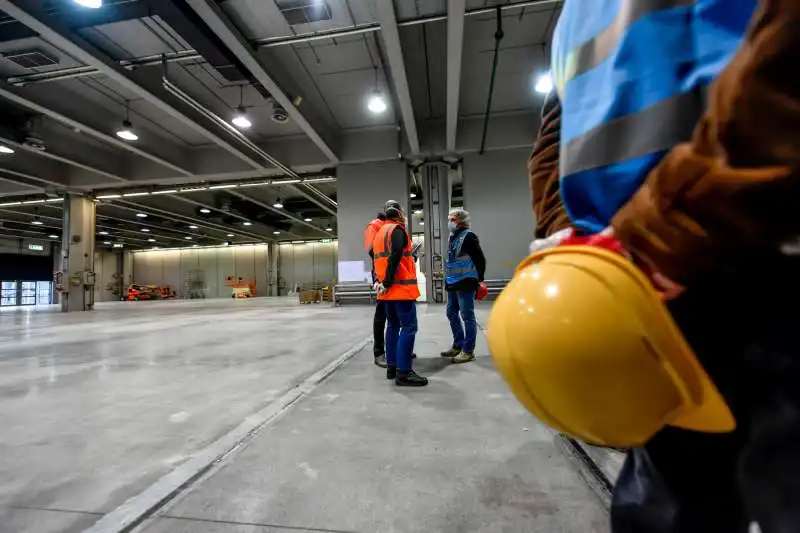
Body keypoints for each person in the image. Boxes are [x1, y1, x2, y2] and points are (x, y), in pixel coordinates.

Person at [493, 1, 800, 531]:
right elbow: (555, 131)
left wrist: (660, 229)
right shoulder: (574, 14)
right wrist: (567, 229)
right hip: (638, 279)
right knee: (668, 502)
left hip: (763, 246)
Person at [372, 200, 428, 387]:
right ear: (398, 213)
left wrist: (380, 282)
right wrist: (387, 281)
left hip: (387, 292)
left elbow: (377, 257)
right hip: (400, 289)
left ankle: (392, 367)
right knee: (409, 327)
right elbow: (395, 255)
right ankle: (404, 372)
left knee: (393, 327)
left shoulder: (380, 233)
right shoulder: (397, 230)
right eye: (403, 211)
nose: (404, 214)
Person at [440, 208, 486, 364]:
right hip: (453, 282)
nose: (449, 223)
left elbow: (480, 259)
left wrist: (479, 279)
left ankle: (468, 351)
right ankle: (458, 344)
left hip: (466, 282)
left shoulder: (469, 236)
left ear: (460, 221)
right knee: (451, 313)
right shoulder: (453, 237)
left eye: (452, 219)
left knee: (467, 316)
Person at [364, 212, 389, 368]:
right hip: (381, 273)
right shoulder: (375, 226)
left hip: (390, 272)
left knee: (394, 312)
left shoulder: (386, 226)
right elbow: (373, 250)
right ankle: (379, 353)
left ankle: (394, 349)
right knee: (381, 314)